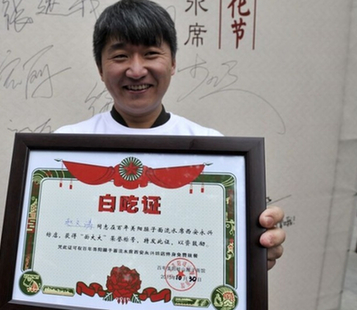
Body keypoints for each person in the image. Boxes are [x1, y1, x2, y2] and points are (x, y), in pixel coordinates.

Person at [56, 0, 285, 269]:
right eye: (120, 56)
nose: (137, 70)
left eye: (151, 53)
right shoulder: (64, 147)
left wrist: (257, 249)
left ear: (173, 63)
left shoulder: (214, 149)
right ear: (100, 68)